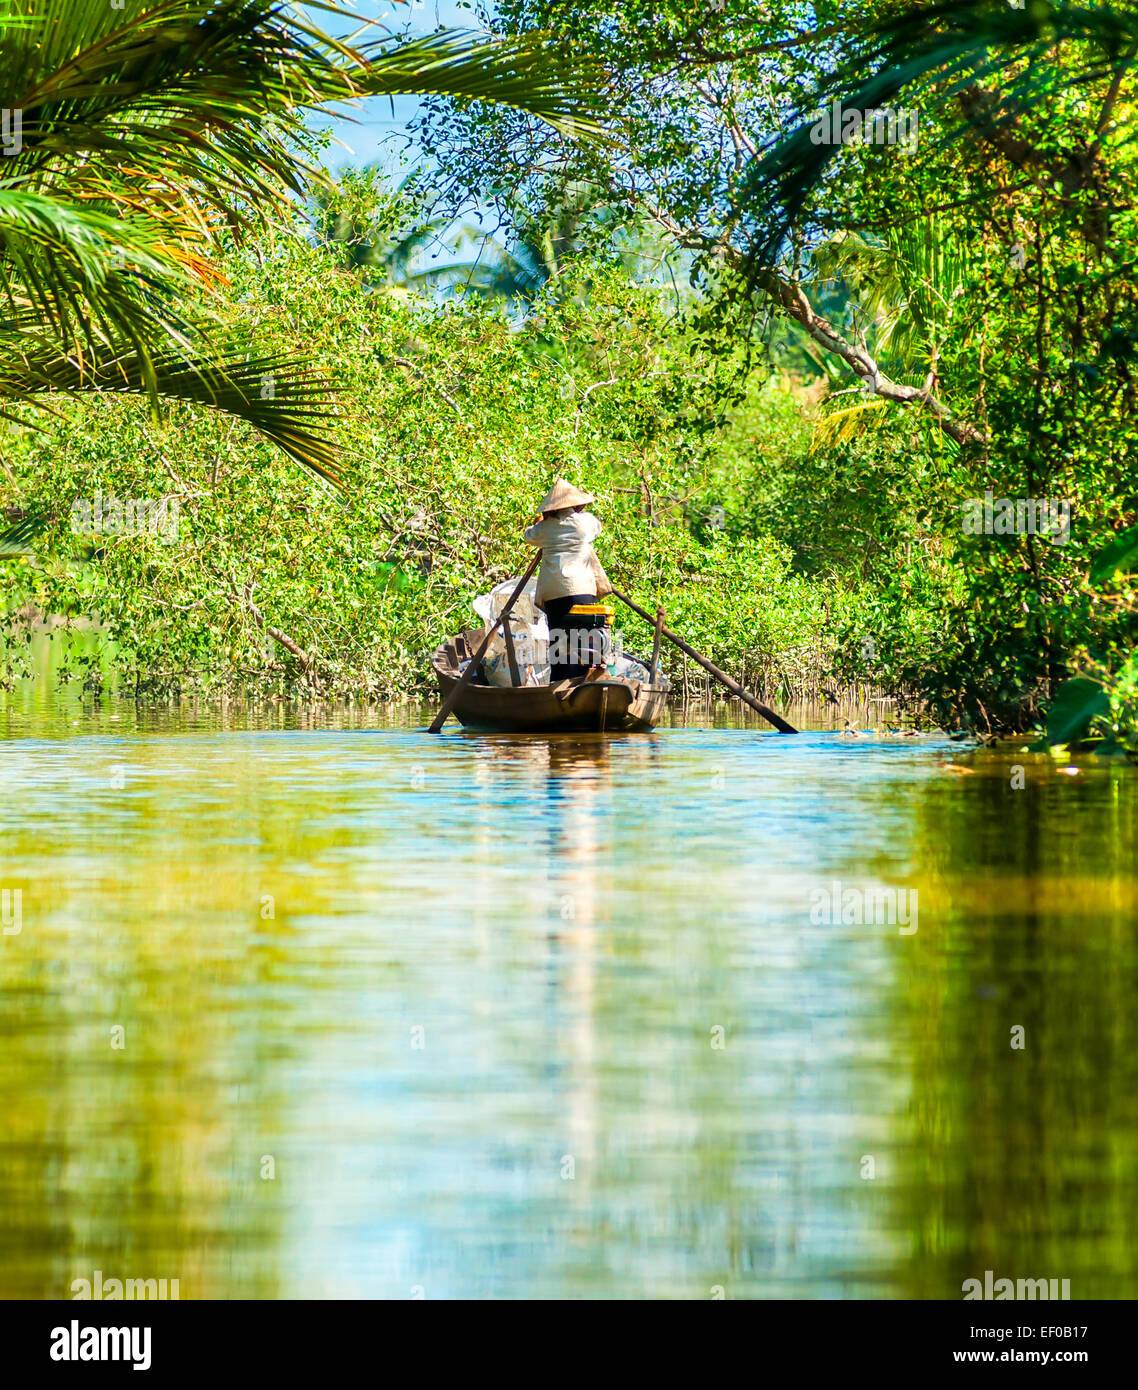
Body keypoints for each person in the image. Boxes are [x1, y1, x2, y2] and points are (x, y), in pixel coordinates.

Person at [523, 479, 611, 681]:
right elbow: (597, 527)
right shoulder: (585, 523)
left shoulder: (544, 529)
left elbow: (528, 536)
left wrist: (539, 523)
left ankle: (562, 680)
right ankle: (584, 676)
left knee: (559, 637)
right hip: (583, 588)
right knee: (585, 633)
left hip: (556, 591)